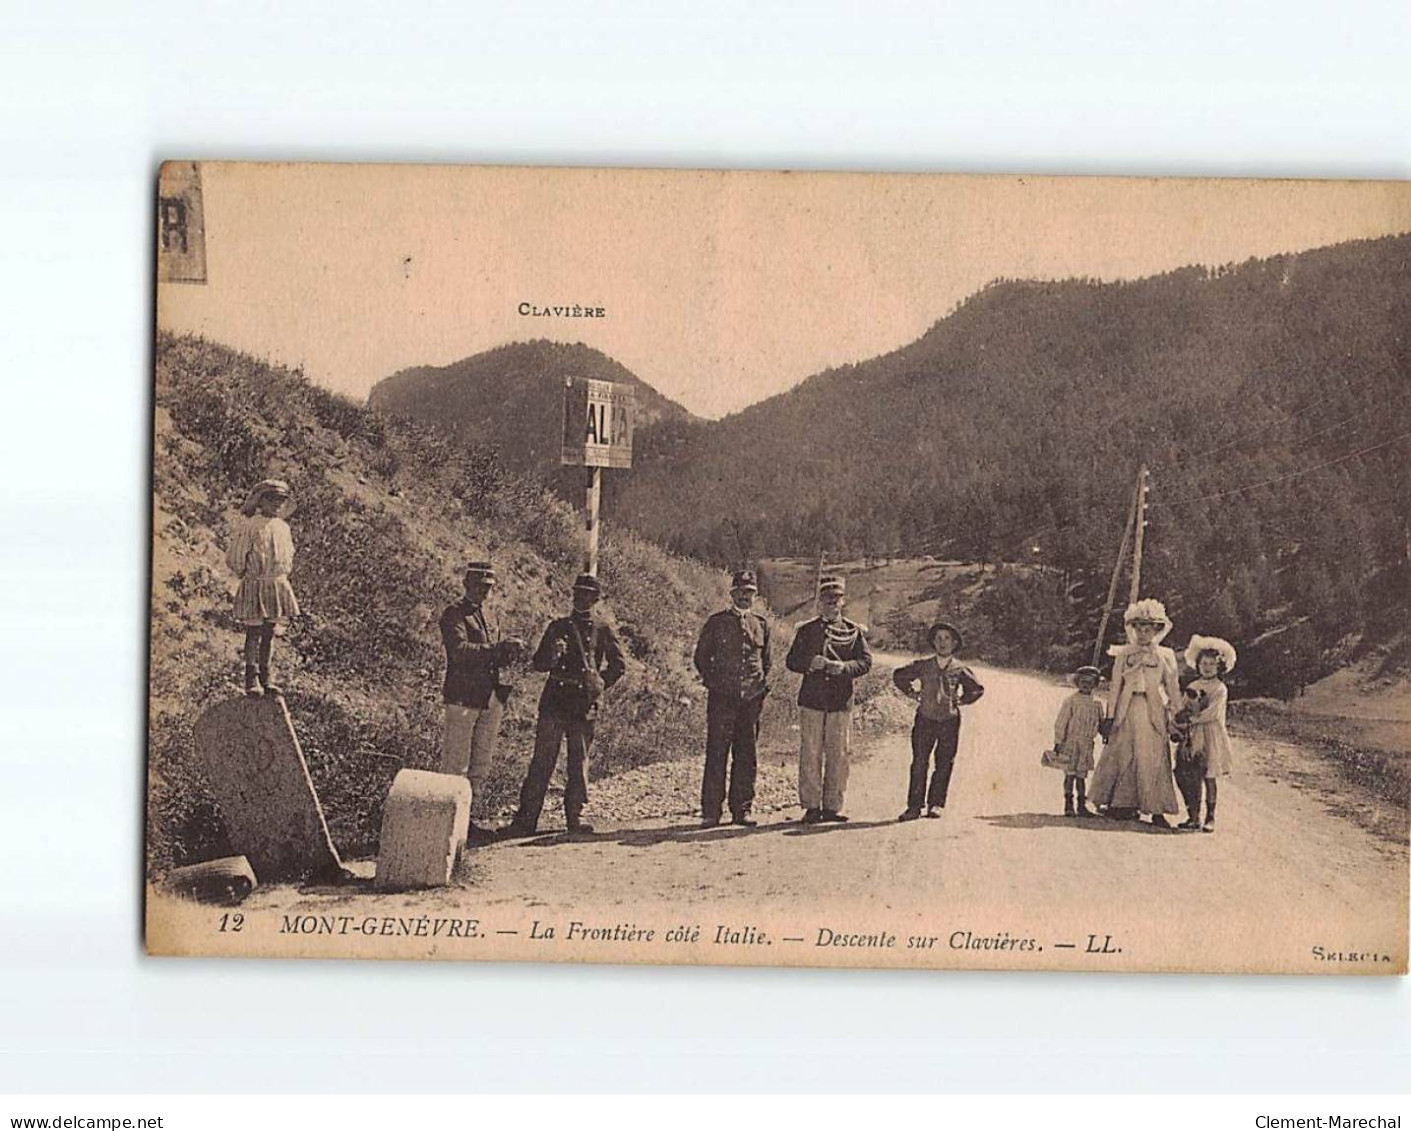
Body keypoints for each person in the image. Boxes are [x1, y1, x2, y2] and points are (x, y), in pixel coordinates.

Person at [503, 574, 626, 837]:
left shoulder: (602, 630)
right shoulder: (557, 627)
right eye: (577, 593)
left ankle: (576, 816)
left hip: (583, 703)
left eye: (587, 595)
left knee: (578, 762)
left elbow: (619, 665)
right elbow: (538, 664)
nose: (581, 598)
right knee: (542, 761)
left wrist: (601, 682)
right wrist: (552, 654)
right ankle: (526, 819)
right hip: (555, 701)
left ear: (596, 599)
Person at [438, 561, 525, 837]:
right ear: (466, 584)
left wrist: (507, 653)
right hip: (463, 697)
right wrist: (496, 650)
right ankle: (447, 822)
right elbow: (459, 651)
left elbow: (490, 654)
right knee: (456, 762)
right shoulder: (454, 614)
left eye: (488, 587)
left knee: (480, 763)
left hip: (489, 696)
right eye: (479, 586)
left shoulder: (491, 616)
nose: (484, 592)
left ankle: (468, 821)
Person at [784, 575, 872, 824]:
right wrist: (809, 664)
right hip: (812, 700)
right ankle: (811, 806)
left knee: (838, 754)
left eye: (836, 599)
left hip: (839, 702)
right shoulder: (807, 630)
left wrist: (843, 668)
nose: (831, 604)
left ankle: (833, 806)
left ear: (843, 602)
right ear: (819, 602)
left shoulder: (853, 631)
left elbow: (865, 662)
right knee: (810, 753)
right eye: (826, 599)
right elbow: (791, 661)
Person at [1089, 599, 1182, 828]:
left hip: (1153, 709)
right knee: (1124, 751)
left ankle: (1157, 808)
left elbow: (1172, 687)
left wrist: (1177, 716)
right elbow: (1115, 687)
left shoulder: (1165, 655)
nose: (1142, 633)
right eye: (1138, 628)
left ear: (1157, 630)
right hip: (1127, 708)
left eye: (1147, 628)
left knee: (1152, 756)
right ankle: (1122, 803)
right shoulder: (1125, 653)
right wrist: (1111, 717)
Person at [693, 569, 772, 828]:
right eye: (740, 592)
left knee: (746, 754)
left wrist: (757, 687)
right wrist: (715, 683)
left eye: (749, 593)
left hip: (751, 699)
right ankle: (711, 811)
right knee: (717, 752)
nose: (744, 597)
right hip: (722, 699)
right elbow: (701, 658)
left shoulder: (760, 624)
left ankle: (742, 809)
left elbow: (765, 662)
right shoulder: (717, 623)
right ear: (732, 594)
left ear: (755, 596)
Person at [892, 621, 985, 821]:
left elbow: (976, 689)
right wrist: (912, 693)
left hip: (949, 721)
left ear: (954, 643)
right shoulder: (924, 665)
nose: (942, 643)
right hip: (925, 719)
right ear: (933, 642)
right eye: (939, 639)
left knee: (944, 763)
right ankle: (914, 807)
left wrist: (961, 700)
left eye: (947, 639)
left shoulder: (960, 668)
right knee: (919, 762)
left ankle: (936, 804)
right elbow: (899, 676)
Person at [225, 478, 300, 697]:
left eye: (281, 501)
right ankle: (251, 677)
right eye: (272, 499)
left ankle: (267, 676)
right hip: (256, 583)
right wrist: (247, 574)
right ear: (261, 500)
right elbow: (236, 556)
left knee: (270, 631)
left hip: (275, 584)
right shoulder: (250, 526)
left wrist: (280, 574)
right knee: (254, 631)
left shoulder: (283, 527)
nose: (277, 504)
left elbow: (288, 555)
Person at [1182, 634, 1237, 832]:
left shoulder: (1220, 688)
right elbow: (1184, 706)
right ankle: (1193, 816)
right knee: (1191, 774)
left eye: (1212, 664)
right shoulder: (1193, 686)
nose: (1207, 667)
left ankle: (1210, 816)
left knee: (1209, 775)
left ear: (1219, 667)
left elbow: (1213, 713)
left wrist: (1193, 718)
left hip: (1211, 733)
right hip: (1195, 733)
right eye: (1204, 663)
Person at [1047, 664, 1104, 818]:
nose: (1086, 685)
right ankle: (1068, 804)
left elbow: (1100, 723)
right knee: (1070, 774)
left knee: (1081, 776)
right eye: (1083, 682)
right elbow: (1061, 722)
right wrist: (1058, 742)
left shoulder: (1097, 703)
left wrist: (1106, 732)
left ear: (1095, 684)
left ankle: (1081, 805)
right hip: (1071, 743)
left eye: (1090, 682)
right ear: (1077, 682)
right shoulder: (1071, 701)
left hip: (1086, 745)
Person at [1171, 683, 1208, 830]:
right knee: (1181, 777)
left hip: (1197, 751)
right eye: (1186, 701)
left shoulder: (1202, 717)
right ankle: (1191, 815)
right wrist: (1177, 733)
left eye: (1193, 702)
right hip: (1183, 751)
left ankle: (1195, 817)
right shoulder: (1182, 715)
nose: (1189, 705)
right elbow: (1174, 730)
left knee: (1194, 781)